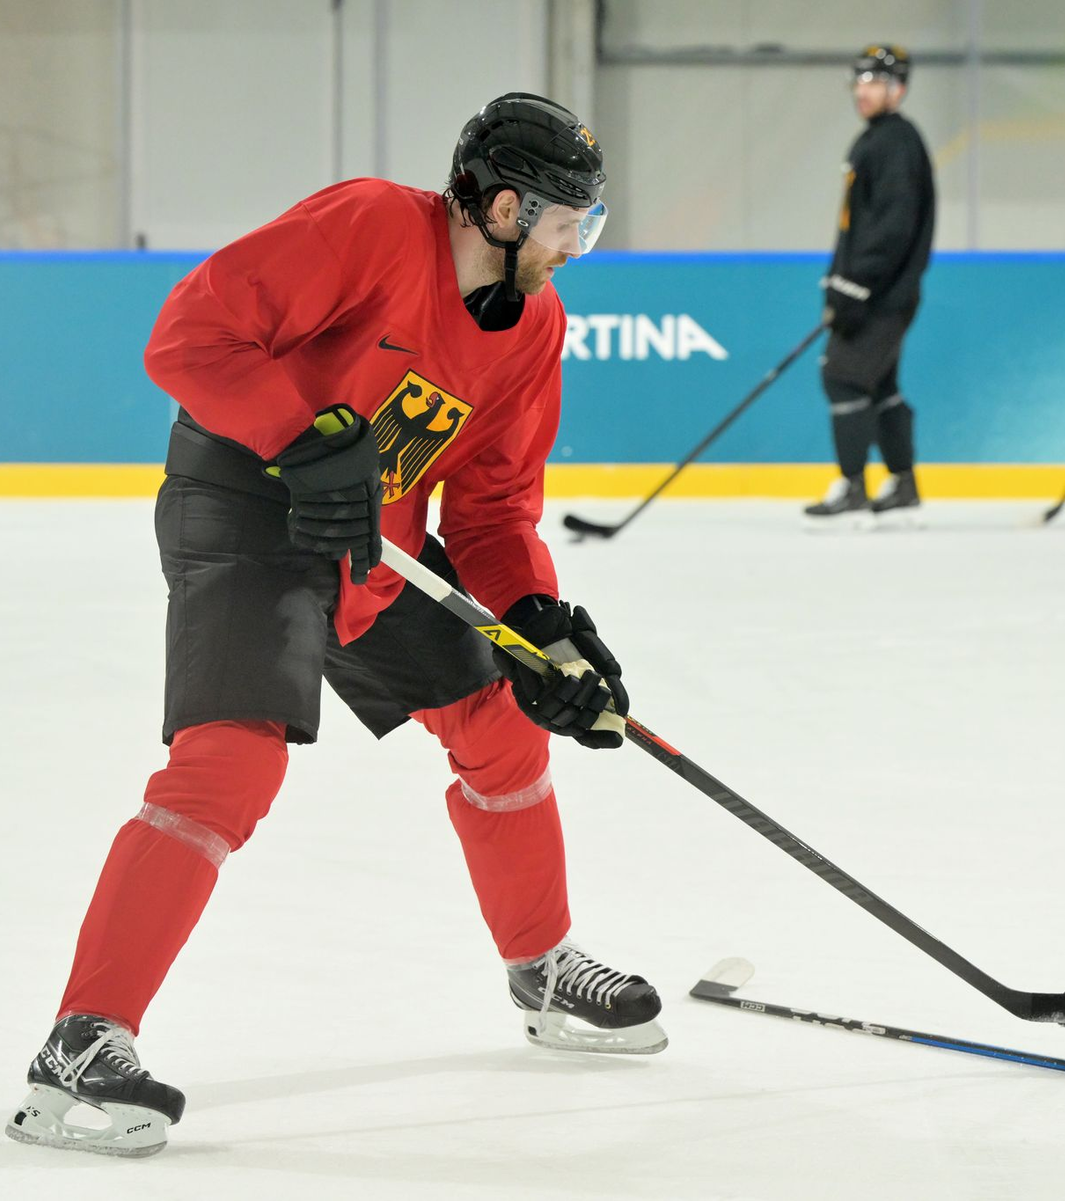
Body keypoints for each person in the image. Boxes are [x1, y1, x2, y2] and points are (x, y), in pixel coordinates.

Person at [5, 93, 665, 1160]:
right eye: (566, 224)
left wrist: (540, 622)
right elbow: (187, 338)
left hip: (376, 541)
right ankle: (82, 1044)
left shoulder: (533, 326)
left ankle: (542, 967)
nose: (573, 247)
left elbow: (494, 509)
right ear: (505, 207)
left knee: (502, 719)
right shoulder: (368, 226)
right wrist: (300, 434)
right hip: (248, 508)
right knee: (229, 764)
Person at [805, 45, 935, 519]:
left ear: (897, 89)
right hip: (878, 291)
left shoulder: (895, 143)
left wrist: (854, 286)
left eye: (873, 82)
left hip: (883, 294)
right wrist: (838, 282)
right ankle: (904, 484)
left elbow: (892, 229)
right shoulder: (877, 139)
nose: (862, 92)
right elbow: (858, 227)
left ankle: (853, 486)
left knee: (842, 376)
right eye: (858, 82)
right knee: (879, 385)